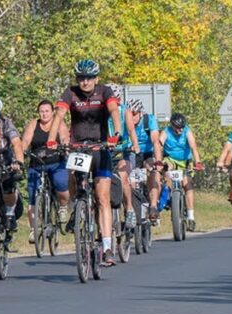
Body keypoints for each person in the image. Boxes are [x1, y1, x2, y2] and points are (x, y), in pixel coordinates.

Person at [47, 59, 123, 266]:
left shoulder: (104, 91)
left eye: (89, 78)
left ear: (96, 78)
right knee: (71, 175)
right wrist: (51, 139)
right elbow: (59, 114)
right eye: (81, 78)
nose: (85, 81)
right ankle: (76, 205)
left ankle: (107, 247)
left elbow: (114, 111)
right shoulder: (70, 93)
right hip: (78, 146)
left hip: (101, 147)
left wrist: (116, 133)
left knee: (102, 198)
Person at [21, 100, 70, 243]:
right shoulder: (33, 124)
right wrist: (22, 150)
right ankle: (33, 229)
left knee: (61, 184)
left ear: (52, 112)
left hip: (56, 163)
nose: (44, 114)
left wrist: (64, 147)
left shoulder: (58, 123)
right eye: (41, 111)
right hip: (37, 164)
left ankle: (62, 207)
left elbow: (65, 137)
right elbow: (25, 141)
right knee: (32, 196)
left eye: (47, 111)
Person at [157, 112, 205, 230]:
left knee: (187, 184)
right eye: (177, 128)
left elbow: (193, 147)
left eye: (182, 127)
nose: (180, 130)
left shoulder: (187, 132)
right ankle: (169, 197)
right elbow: (159, 144)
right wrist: (158, 159)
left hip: (185, 160)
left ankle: (191, 217)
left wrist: (197, 162)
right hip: (171, 159)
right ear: (172, 125)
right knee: (167, 171)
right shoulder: (166, 131)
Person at [106, 86, 143, 230]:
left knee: (123, 177)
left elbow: (130, 129)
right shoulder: (102, 112)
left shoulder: (125, 111)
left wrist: (135, 145)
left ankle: (129, 210)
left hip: (123, 151)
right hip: (107, 151)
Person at [0, 94, 24, 233]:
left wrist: (18, 161)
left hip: (3, 161)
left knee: (8, 183)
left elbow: (16, 142)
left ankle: (9, 213)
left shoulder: (5, 122)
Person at [127, 99, 163, 223]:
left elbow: (155, 142)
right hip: (131, 152)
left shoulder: (149, 120)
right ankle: (131, 210)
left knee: (153, 172)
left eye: (134, 114)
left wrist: (158, 161)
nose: (132, 117)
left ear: (140, 113)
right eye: (129, 114)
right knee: (129, 179)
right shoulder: (125, 122)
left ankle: (153, 206)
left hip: (147, 152)